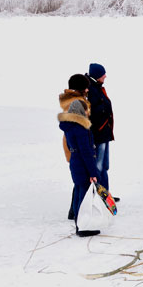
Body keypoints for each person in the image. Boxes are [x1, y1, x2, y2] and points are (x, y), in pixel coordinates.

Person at [58, 99, 100, 237]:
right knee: (84, 196)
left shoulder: (70, 126)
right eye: (86, 109)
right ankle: (83, 227)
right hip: (82, 163)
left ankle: (79, 224)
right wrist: (92, 172)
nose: (88, 112)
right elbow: (86, 152)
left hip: (75, 162)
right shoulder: (81, 128)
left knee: (79, 192)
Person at [59, 74, 91, 220]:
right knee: (81, 179)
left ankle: (74, 211)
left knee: (79, 180)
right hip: (76, 143)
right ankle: (76, 212)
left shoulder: (73, 99)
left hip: (72, 142)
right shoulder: (76, 102)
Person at [85, 62, 117, 200]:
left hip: (104, 133)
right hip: (99, 134)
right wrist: (104, 111)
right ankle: (99, 196)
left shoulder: (97, 88)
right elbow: (92, 112)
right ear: (97, 76)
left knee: (104, 166)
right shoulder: (91, 90)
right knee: (98, 167)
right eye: (103, 74)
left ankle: (106, 195)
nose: (105, 76)